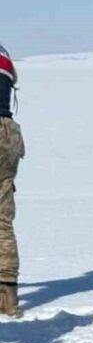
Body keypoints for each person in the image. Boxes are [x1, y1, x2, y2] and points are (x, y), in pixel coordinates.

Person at [0, 42, 23, 317]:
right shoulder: (3, 54)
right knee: (2, 219)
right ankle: (7, 297)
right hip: (8, 134)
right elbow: (12, 78)